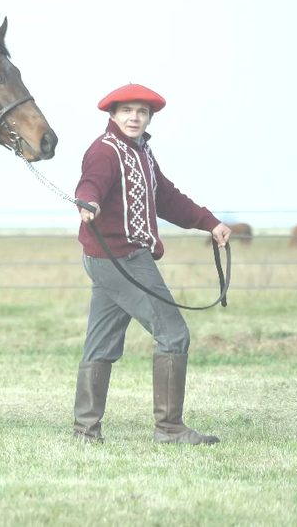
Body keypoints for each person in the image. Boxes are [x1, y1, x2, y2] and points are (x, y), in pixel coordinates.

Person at [73, 83, 231, 445]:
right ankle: (170, 429)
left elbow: (168, 199)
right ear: (112, 116)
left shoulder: (142, 152)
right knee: (174, 335)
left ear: (148, 118)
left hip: (110, 258)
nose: (134, 117)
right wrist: (87, 203)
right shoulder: (104, 151)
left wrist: (210, 222)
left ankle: (85, 431)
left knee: (100, 345)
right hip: (122, 258)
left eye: (141, 112)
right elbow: (89, 185)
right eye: (127, 110)